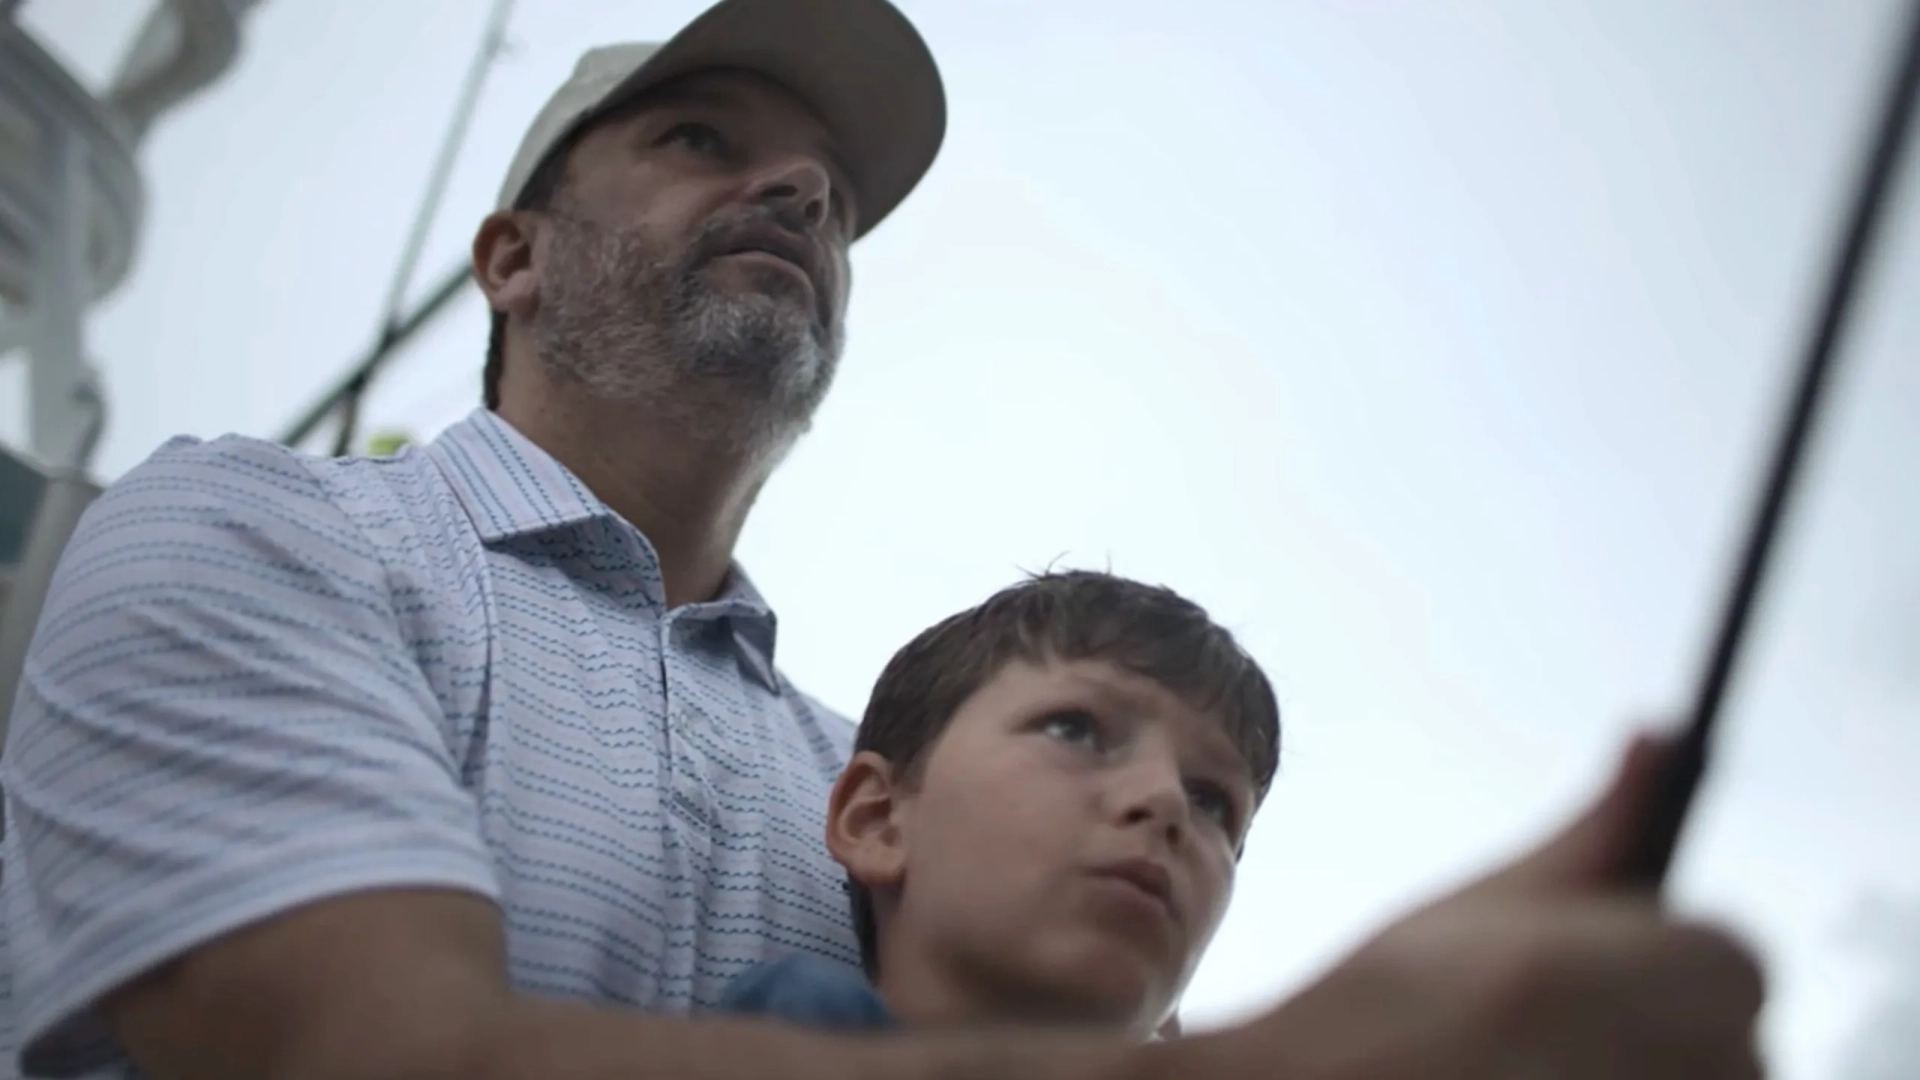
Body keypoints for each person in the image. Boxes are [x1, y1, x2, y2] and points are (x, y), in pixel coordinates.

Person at [0, 0, 1767, 1078]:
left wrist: (1455, 982)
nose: (797, 198)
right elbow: (364, 1057)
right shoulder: (262, 531)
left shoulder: (885, 782)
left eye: (831, 202)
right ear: (512, 257)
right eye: (706, 140)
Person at [715, 570, 1281, 1035]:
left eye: (1210, 801)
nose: (1164, 800)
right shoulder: (801, 1032)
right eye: (1073, 730)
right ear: (879, 820)